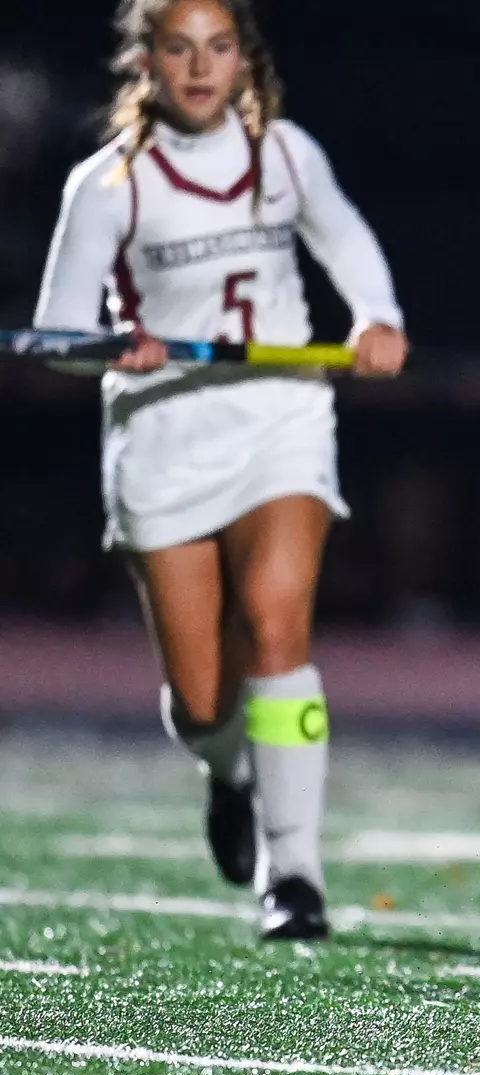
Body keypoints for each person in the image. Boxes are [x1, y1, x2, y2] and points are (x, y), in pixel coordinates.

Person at [33, 0, 406, 940]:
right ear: (146, 62)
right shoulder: (106, 185)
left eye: (219, 46)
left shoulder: (285, 156)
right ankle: (229, 770)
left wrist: (377, 317)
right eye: (179, 48)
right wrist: (111, 347)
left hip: (280, 417)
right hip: (162, 436)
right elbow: (58, 335)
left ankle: (294, 874)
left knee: (277, 625)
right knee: (203, 702)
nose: (200, 67)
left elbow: (347, 241)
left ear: (243, 58)